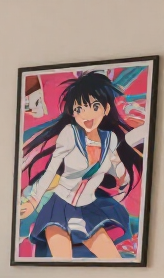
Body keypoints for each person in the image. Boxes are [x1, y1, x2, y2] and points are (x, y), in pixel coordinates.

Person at [19, 72, 142, 260]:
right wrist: (33, 201)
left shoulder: (110, 139)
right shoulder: (69, 134)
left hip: (89, 209)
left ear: (106, 109)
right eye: (79, 108)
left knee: (113, 261)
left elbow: (114, 166)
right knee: (62, 264)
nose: (86, 114)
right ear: (73, 112)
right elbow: (51, 170)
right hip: (59, 209)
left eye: (94, 106)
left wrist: (123, 178)